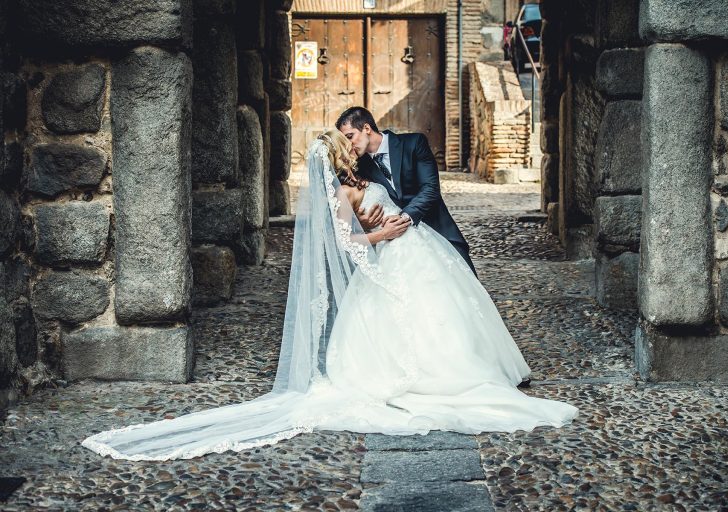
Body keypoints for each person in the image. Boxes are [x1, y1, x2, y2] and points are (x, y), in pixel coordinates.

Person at [80, 130, 577, 461]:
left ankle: (464, 368)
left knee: (446, 317)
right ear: (342, 156)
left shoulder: (365, 180)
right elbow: (348, 244)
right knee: (415, 328)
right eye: (348, 144)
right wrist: (380, 234)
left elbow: (392, 203)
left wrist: (387, 221)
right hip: (392, 260)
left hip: (419, 258)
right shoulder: (343, 194)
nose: (356, 146)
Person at [336, 106, 476, 275]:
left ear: (366, 128)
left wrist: (403, 218)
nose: (348, 144)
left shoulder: (414, 143)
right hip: (396, 250)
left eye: (350, 136)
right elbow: (351, 208)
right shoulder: (357, 166)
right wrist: (362, 223)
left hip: (437, 230)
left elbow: (430, 189)